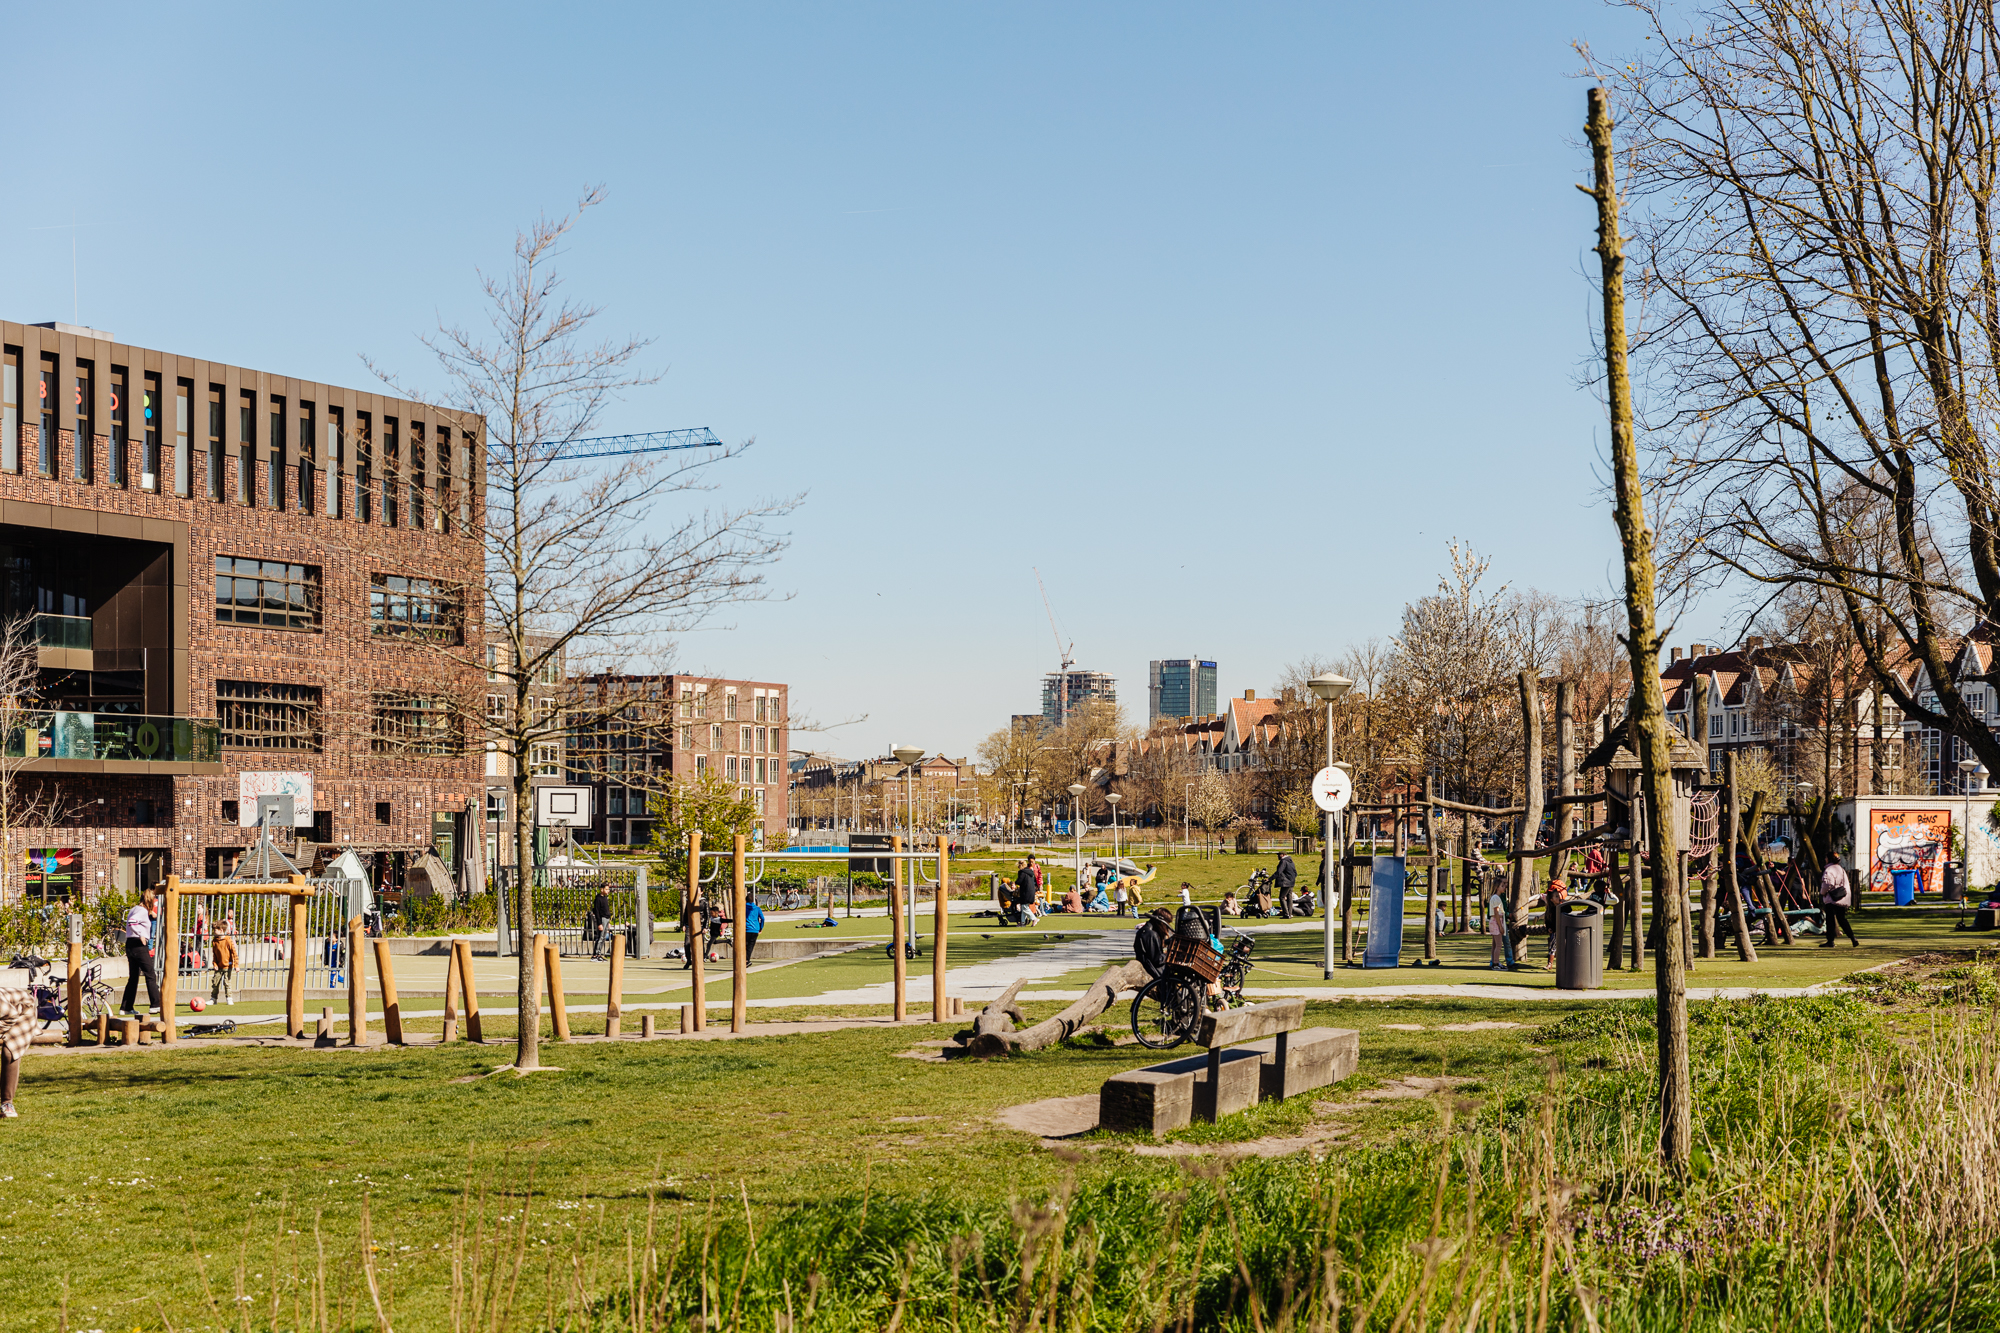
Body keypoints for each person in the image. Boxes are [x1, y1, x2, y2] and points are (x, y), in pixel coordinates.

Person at [120, 885, 161, 1016]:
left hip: (130, 944)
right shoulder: (142, 911)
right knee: (150, 974)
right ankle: (155, 1004)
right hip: (139, 944)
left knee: (133, 977)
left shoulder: (134, 909)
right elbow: (132, 922)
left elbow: (131, 921)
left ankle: (126, 1007)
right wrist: (141, 934)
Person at [0, 981, 29, 1117]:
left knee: (10, 1051)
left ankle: (7, 1104)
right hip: (6, 1015)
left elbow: (11, 1015)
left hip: (23, 1012)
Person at [1821, 858, 1859, 948]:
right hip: (1841, 897)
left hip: (1831, 898)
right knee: (1842, 919)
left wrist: (1823, 892)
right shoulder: (1841, 869)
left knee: (1830, 920)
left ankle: (1830, 941)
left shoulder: (1829, 870)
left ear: (1828, 859)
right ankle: (1852, 937)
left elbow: (1828, 883)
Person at [1133, 907, 1173, 979]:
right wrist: (1168, 954)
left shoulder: (1146, 931)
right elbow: (1157, 960)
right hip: (1154, 972)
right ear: (1162, 923)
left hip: (1149, 967)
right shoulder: (1151, 934)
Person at [210, 919, 239, 1007]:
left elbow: (234, 953)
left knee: (227, 983)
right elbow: (214, 954)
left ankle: (229, 998)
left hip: (227, 966)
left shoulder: (228, 940)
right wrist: (215, 964)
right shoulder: (214, 941)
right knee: (215, 983)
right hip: (219, 966)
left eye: (215, 930)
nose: (214, 932)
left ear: (221, 930)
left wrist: (236, 965)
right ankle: (213, 999)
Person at [1487, 881, 1514, 970]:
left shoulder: (1497, 897)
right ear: (1497, 887)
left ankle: (1495, 962)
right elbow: (1496, 913)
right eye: (1502, 886)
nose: (1504, 887)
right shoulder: (1496, 898)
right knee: (1498, 944)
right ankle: (1495, 963)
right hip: (1496, 922)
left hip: (1497, 921)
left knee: (1495, 944)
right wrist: (1501, 927)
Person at [1542, 878, 1569, 966]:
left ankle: (1564, 963)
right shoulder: (1551, 909)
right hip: (1554, 930)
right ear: (1551, 899)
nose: (1559, 898)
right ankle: (1550, 963)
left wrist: (1564, 902)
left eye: (1559, 895)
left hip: (1563, 930)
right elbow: (1547, 920)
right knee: (1552, 946)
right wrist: (1548, 928)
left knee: (1564, 946)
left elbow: (1569, 909)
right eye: (1556, 896)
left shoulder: (1563, 906)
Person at [741, 894, 765, 962]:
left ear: (745, 900)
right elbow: (762, 918)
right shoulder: (757, 908)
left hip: (746, 929)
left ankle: (744, 959)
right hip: (755, 929)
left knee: (744, 945)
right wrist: (760, 927)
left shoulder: (743, 908)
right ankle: (747, 959)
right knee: (750, 946)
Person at [1274, 853, 1298, 918]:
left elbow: (1279, 872)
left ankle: (1286, 914)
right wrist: (1291, 879)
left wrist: (1270, 879)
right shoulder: (1291, 861)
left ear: (1283, 855)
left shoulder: (1283, 861)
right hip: (1291, 882)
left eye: (1279, 855)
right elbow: (1295, 873)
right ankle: (1289, 914)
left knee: (1281, 897)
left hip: (1285, 883)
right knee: (1289, 897)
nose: (1278, 856)